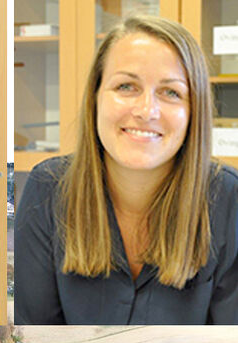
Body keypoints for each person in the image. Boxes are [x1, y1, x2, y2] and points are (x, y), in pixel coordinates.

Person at [15, 15, 238, 324]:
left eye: (170, 92)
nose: (147, 111)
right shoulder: (49, 188)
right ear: (95, 98)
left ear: (193, 110)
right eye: (126, 86)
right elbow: (38, 338)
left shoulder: (229, 199)